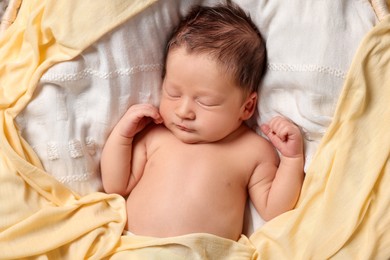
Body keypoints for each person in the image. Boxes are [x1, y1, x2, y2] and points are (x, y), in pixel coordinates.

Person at [101, 2, 304, 241]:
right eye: (173, 93)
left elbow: (275, 210)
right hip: (136, 248)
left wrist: (292, 159)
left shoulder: (253, 151)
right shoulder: (156, 136)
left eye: (206, 102)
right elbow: (116, 185)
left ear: (247, 107)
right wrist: (122, 136)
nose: (184, 111)